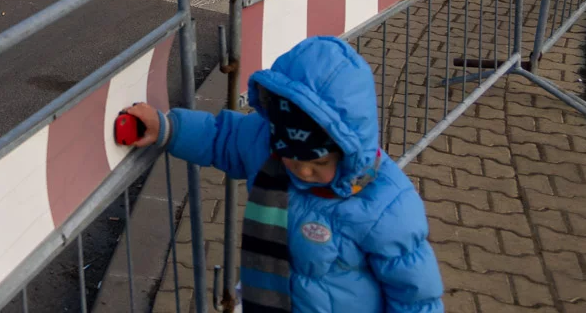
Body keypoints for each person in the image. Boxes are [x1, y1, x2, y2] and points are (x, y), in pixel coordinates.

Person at [120, 36, 444, 313]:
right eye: (291, 157)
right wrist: (168, 128)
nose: (302, 170)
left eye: (318, 163)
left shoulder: (387, 206)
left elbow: (416, 296)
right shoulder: (268, 146)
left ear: (348, 149)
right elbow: (222, 137)